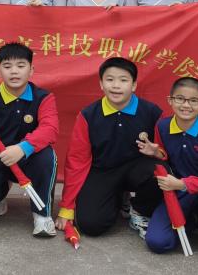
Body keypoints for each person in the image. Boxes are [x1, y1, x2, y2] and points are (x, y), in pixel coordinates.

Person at [54, 58, 163, 238]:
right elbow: (76, 161)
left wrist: (157, 153)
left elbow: (167, 151)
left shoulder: (152, 112)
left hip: (137, 170)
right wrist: (66, 207)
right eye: (110, 79)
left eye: (123, 80)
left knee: (160, 173)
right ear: (101, 84)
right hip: (103, 172)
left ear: (134, 85)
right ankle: (118, 198)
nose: (116, 86)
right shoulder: (88, 115)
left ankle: (139, 209)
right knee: (91, 225)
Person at [0, 42, 60, 237]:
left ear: (31, 70)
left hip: (28, 157)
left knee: (47, 156)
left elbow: (50, 129)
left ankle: (42, 215)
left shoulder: (44, 97)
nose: (14, 71)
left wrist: (23, 148)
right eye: (7, 66)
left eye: (21, 66)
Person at [139, 77, 198, 264]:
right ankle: (190, 219)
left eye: (193, 101)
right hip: (177, 192)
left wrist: (183, 184)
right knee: (158, 242)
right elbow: (167, 156)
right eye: (180, 99)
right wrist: (157, 153)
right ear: (170, 100)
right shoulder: (162, 126)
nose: (186, 105)